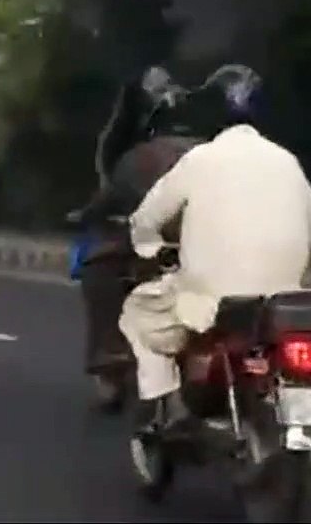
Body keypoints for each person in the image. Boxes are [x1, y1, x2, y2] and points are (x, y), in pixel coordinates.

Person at [118, 64, 311, 434]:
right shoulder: (287, 160)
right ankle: (296, 429)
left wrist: (153, 249)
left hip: (216, 299)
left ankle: (168, 409)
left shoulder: (198, 160)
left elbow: (146, 219)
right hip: (285, 297)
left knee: (137, 313)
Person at [71, 66, 200, 409]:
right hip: (216, 246)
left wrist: (86, 215)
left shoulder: (139, 158)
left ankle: (111, 360)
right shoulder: (216, 150)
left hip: (158, 246)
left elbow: (109, 200)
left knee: (98, 266)